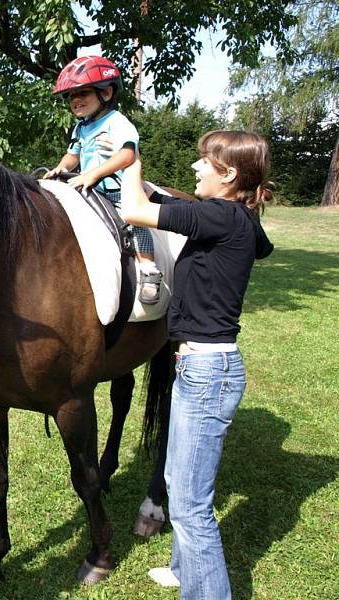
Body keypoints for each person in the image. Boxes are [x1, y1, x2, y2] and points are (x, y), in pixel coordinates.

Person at [120, 130, 275, 599]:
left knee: (190, 506)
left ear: (227, 175)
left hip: (208, 373)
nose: (195, 168)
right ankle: (186, 570)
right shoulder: (239, 218)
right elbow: (261, 246)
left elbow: (132, 211)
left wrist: (130, 158)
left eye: (203, 161)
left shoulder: (219, 216)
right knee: (175, 478)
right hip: (205, 368)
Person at [44, 55, 163, 304]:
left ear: (106, 93)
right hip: (90, 189)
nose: (75, 101)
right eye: (71, 96)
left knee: (134, 219)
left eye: (82, 93)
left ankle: (148, 269)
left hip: (118, 189)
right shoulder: (80, 128)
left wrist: (94, 173)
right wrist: (60, 168)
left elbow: (127, 154)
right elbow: (71, 156)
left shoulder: (116, 122)